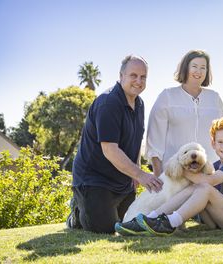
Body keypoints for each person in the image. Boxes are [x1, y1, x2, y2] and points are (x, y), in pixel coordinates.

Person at [66, 55, 163, 234]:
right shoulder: (108, 103)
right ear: (121, 76)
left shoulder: (139, 104)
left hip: (122, 180)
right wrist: (141, 175)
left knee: (128, 223)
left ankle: (94, 207)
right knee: (105, 229)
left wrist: (134, 175)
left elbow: (134, 142)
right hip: (94, 179)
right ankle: (77, 209)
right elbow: (110, 150)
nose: (138, 81)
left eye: (143, 77)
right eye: (133, 75)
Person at [115, 117, 223, 236]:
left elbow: (209, 181)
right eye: (220, 142)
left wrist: (182, 166)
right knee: (195, 187)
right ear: (213, 144)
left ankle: (170, 222)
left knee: (203, 187)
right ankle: (149, 219)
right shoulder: (217, 165)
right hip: (220, 219)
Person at [146, 50, 223, 177]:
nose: (198, 71)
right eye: (194, 66)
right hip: (175, 176)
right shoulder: (167, 96)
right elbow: (155, 142)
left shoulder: (215, 98)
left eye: (203, 68)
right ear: (185, 68)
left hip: (210, 175)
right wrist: (158, 177)